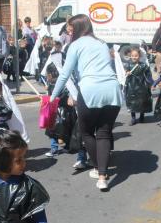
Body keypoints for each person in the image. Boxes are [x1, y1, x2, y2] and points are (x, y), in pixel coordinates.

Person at [50, 14, 122, 191]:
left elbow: (65, 74)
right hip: (112, 90)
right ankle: (103, 176)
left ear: (77, 29)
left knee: (87, 132)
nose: (68, 32)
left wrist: (52, 97)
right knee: (104, 133)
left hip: (90, 90)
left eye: (70, 29)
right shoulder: (102, 43)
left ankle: (98, 169)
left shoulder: (75, 45)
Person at [124, 47, 153, 126]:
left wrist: (151, 83)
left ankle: (142, 115)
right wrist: (127, 72)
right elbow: (125, 72)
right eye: (133, 55)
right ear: (130, 56)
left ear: (139, 56)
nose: (134, 57)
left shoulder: (143, 65)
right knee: (131, 101)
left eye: (136, 56)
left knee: (142, 101)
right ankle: (133, 118)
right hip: (131, 86)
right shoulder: (128, 64)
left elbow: (149, 75)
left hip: (141, 86)